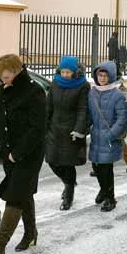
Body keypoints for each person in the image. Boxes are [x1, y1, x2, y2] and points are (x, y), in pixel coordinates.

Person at [0, 54, 47, 254]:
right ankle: (30, 233)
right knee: (23, 191)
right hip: (9, 153)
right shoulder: (2, 90)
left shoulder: (34, 91)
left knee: (15, 196)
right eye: (0, 78)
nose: (3, 80)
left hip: (29, 153)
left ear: (18, 71)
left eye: (7, 76)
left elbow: (37, 128)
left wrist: (18, 153)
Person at [45, 56, 89, 211]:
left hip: (71, 131)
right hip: (54, 128)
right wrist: (45, 124)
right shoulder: (55, 82)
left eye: (68, 72)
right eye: (62, 71)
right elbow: (49, 105)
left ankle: (68, 195)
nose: (64, 74)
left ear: (75, 72)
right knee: (51, 160)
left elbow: (82, 109)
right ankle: (68, 182)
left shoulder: (83, 86)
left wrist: (78, 129)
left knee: (67, 163)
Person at [88, 61, 127, 212]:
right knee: (96, 166)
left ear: (110, 76)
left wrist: (111, 134)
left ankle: (110, 198)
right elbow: (89, 114)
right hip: (96, 136)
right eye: (100, 75)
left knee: (106, 169)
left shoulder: (117, 94)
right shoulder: (92, 92)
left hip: (109, 138)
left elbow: (122, 118)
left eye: (105, 75)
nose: (102, 78)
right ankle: (103, 189)